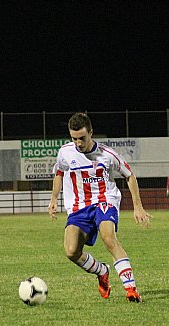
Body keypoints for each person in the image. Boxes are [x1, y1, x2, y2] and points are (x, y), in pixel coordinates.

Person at [48, 113, 152, 302]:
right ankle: (102, 272)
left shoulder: (108, 155)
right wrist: (54, 198)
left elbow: (129, 175)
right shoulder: (65, 152)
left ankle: (131, 289)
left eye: (82, 138)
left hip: (105, 201)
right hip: (79, 207)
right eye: (74, 138)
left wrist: (138, 206)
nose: (78, 143)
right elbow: (60, 172)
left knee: (108, 237)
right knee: (71, 251)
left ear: (91, 133)